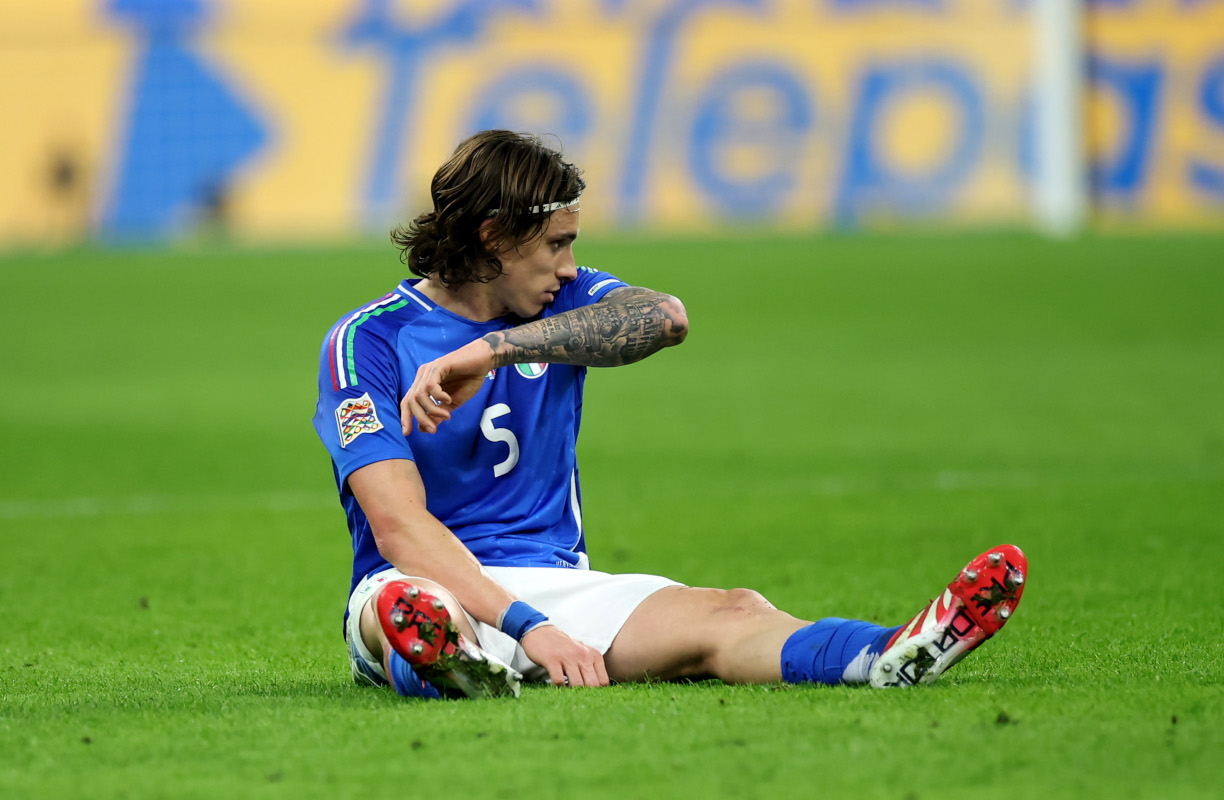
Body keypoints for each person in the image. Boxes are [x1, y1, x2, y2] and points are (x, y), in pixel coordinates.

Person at [312, 130, 1027, 700]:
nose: (569, 266)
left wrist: (493, 352)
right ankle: (449, 661)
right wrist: (532, 629)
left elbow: (664, 318)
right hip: (422, 584)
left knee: (733, 611)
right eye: (557, 243)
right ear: (494, 236)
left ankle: (884, 655)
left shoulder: (560, 303)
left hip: (557, 581)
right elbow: (399, 526)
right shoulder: (367, 342)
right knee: (409, 605)